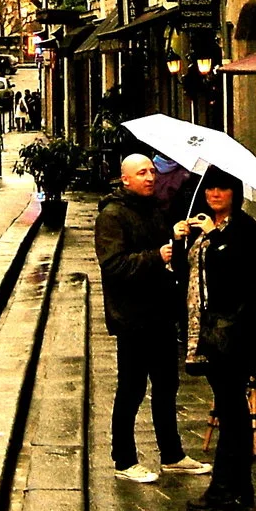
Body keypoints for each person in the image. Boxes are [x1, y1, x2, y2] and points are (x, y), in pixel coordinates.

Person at [97, 152, 210, 485]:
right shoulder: (112, 215)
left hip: (160, 312)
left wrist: (174, 237)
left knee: (166, 386)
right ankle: (124, 459)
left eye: (152, 171)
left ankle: (172, 455)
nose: (150, 178)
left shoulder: (153, 209)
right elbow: (114, 264)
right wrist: (155, 256)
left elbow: (163, 251)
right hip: (132, 316)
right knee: (131, 389)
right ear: (125, 179)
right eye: (142, 173)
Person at [176, 170, 256, 511]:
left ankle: (227, 488)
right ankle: (236, 489)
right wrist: (181, 240)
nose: (214, 193)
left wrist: (215, 237)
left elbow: (240, 272)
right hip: (206, 330)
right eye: (210, 188)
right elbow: (188, 273)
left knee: (232, 408)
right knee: (228, 407)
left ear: (234, 192)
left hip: (235, 331)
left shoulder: (244, 227)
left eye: (222, 188)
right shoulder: (202, 227)